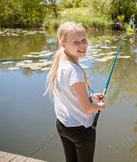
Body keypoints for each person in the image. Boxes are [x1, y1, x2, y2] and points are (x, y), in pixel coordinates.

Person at [45, 21, 106, 162]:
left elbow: (70, 93)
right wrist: (100, 106)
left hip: (62, 125)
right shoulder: (74, 71)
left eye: (84, 40)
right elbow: (87, 108)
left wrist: (90, 96)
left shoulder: (61, 61)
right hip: (80, 130)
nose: (82, 45)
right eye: (76, 42)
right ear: (63, 43)